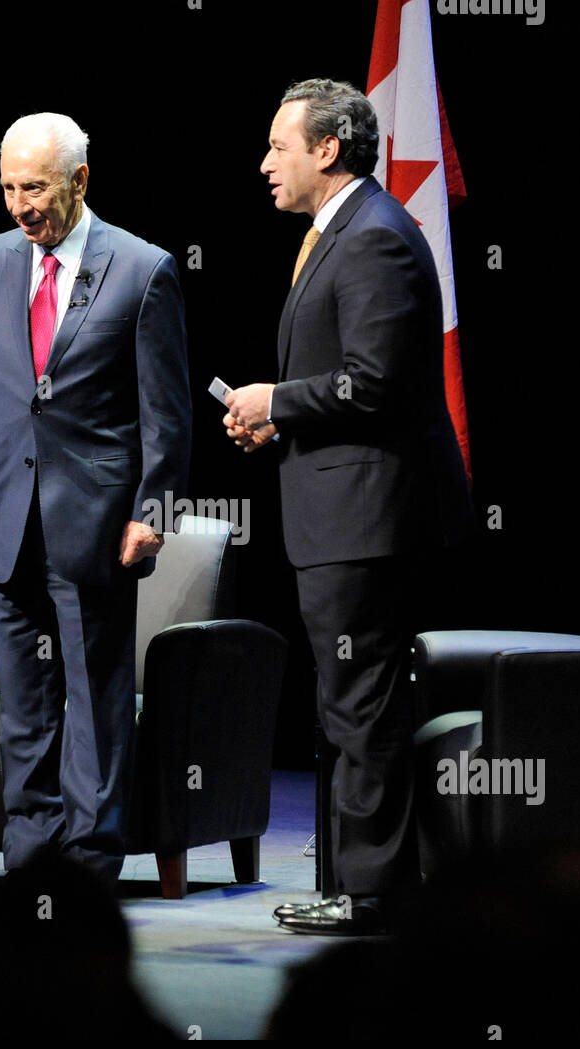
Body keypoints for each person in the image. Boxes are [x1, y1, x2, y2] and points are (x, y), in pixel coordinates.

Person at [224, 79, 472, 935]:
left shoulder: (372, 239)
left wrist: (275, 401)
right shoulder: (343, 231)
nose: (265, 165)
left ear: (326, 150)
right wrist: (277, 425)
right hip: (342, 509)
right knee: (348, 700)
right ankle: (353, 881)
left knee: (361, 703)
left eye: (277, 147)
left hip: (369, 519)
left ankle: (372, 895)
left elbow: (374, 383)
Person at [0, 112, 190, 887]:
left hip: (96, 526)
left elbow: (167, 415)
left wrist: (154, 514)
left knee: (95, 705)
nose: (20, 205)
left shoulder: (143, 269)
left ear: (80, 181)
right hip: (6, 521)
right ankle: (31, 862)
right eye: (9, 188)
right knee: (24, 703)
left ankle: (86, 866)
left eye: (35, 187)